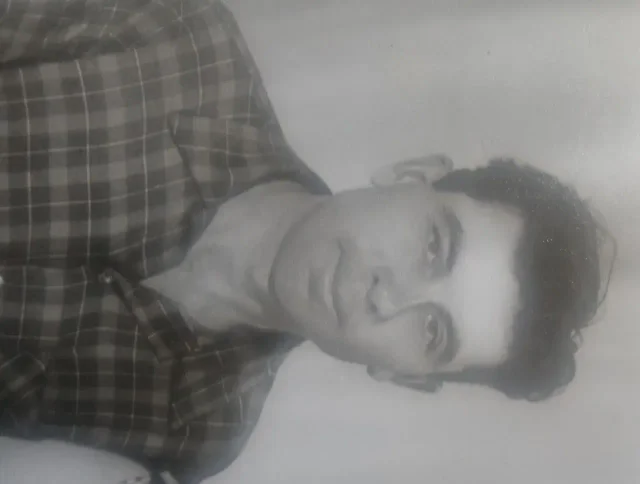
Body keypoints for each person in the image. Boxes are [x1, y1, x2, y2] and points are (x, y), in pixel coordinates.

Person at [0, 0, 612, 483]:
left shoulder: (194, 432)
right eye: (434, 246)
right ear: (410, 173)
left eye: (433, 332)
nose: (387, 296)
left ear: (400, 377)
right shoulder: (175, 36)